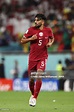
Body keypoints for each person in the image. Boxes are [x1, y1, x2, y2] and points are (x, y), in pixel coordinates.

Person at [21, 13, 54, 106]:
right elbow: (22, 41)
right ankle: (32, 94)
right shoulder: (31, 30)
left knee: (39, 75)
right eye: (35, 20)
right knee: (31, 80)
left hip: (43, 57)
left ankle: (35, 98)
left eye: (37, 20)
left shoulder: (48, 30)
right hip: (32, 58)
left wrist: (50, 43)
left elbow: (52, 38)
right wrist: (31, 38)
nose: (35, 22)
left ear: (42, 21)